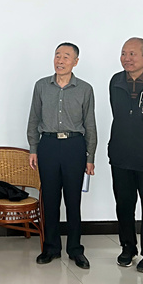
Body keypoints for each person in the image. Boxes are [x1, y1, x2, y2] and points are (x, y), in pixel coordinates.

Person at [27, 42, 96, 269]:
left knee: (73, 200)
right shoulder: (41, 86)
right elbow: (33, 119)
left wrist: (90, 157)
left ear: (75, 61)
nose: (60, 60)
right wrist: (33, 148)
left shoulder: (85, 89)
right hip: (47, 144)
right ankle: (50, 248)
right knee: (49, 199)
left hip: (74, 146)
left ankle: (75, 249)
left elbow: (90, 124)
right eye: (57, 55)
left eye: (66, 56)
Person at [108, 38, 143, 272]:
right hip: (121, 154)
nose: (127, 59)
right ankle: (127, 248)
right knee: (124, 205)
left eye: (132, 54)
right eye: (123, 54)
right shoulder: (116, 81)